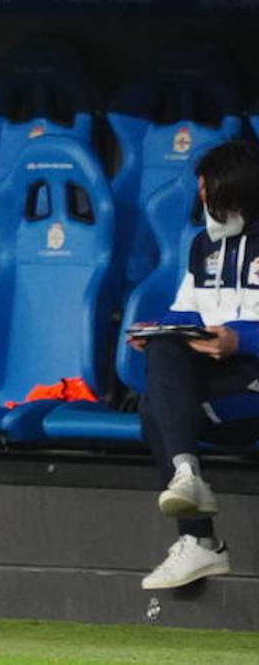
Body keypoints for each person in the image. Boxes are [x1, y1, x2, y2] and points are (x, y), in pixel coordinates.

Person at [128, 140, 259, 590]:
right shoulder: (203, 246)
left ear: (236, 190)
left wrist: (238, 338)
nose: (201, 196)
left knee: (154, 411)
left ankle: (201, 541)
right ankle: (188, 477)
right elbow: (186, 312)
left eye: (208, 187)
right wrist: (156, 331)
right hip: (225, 387)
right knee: (163, 358)